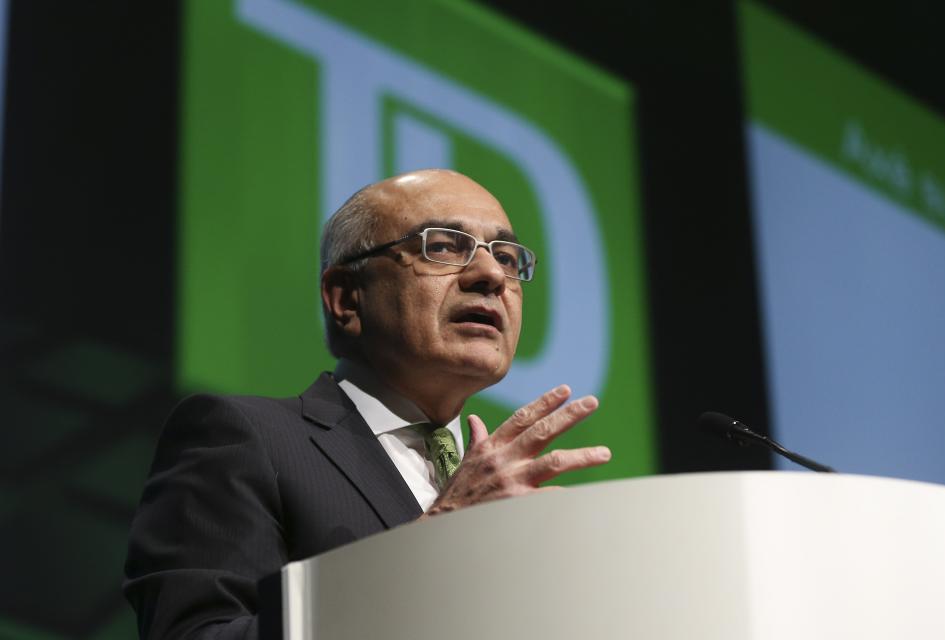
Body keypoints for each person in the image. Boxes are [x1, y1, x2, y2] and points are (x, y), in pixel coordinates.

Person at [123, 169, 612, 639]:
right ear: (345, 299)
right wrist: (440, 536)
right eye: (442, 246)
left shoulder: (501, 494)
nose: (490, 275)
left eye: (506, 257)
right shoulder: (244, 438)